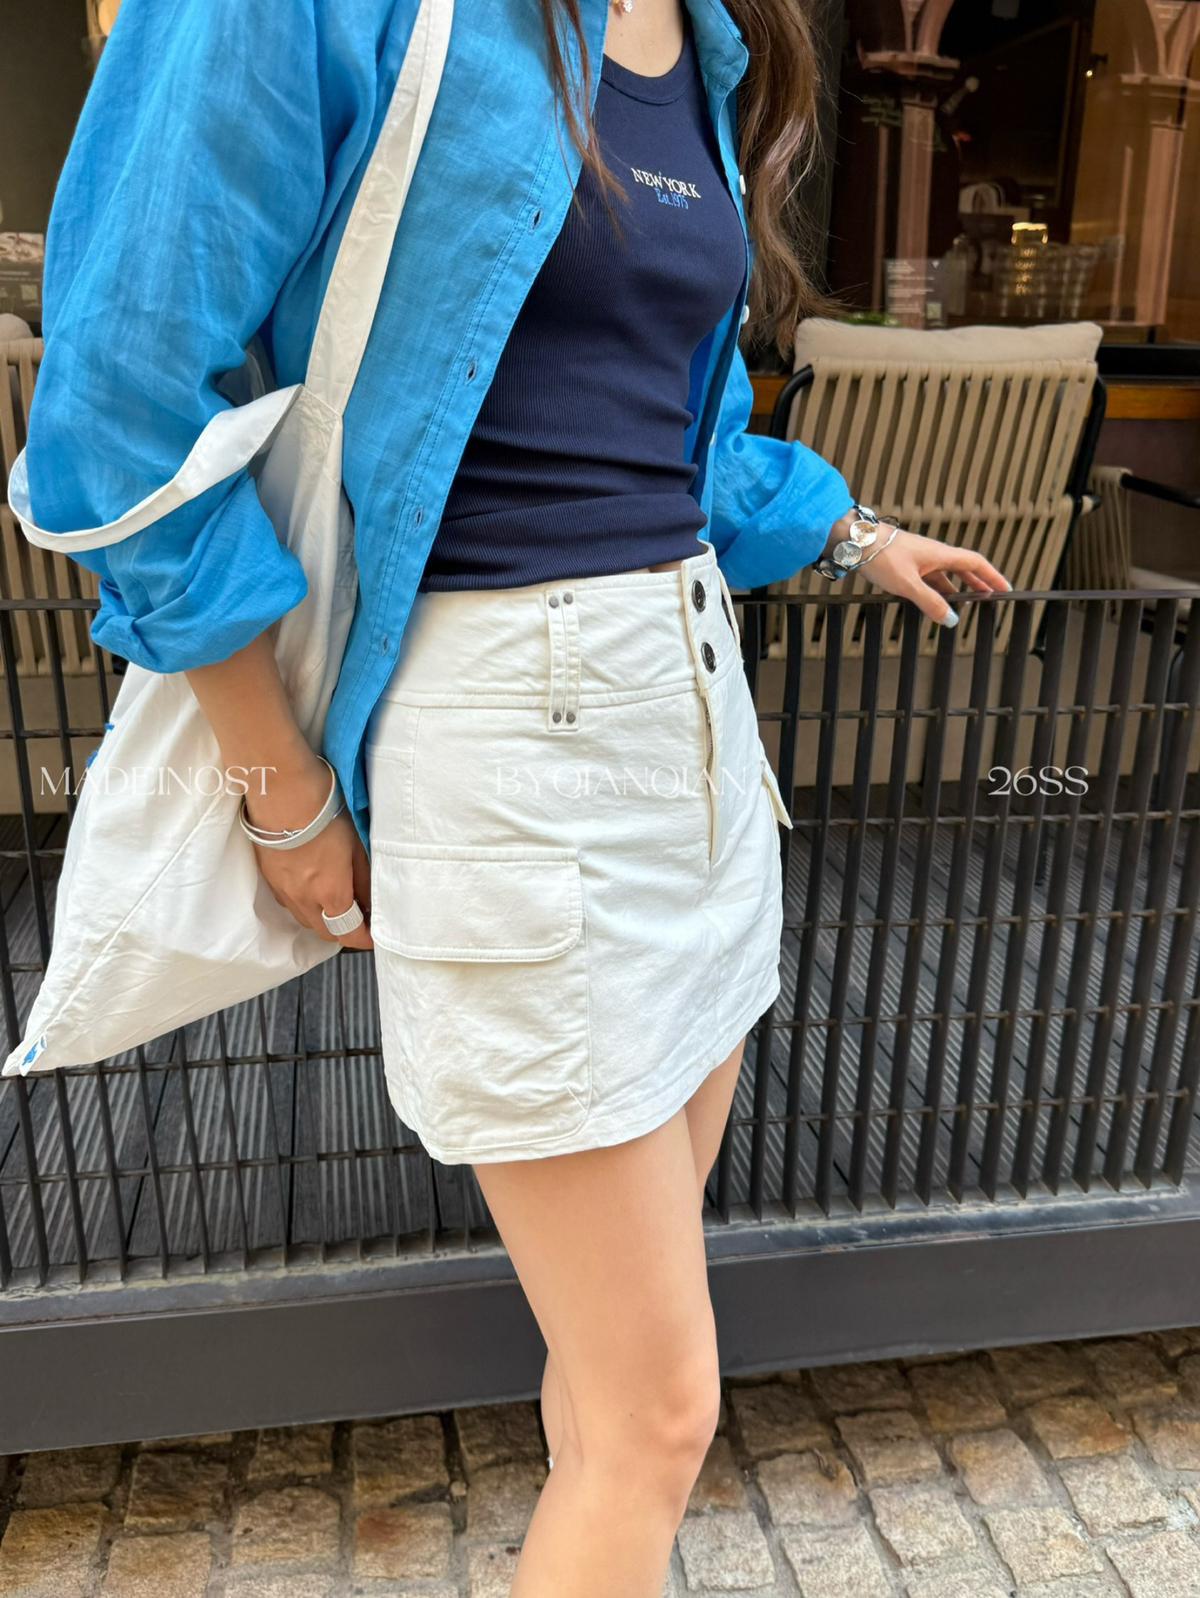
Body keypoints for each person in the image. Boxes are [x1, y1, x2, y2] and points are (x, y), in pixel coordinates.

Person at [22, 0, 1009, 1591]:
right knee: (658, 1413)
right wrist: (279, 783)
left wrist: (846, 532)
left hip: (692, 721)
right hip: (507, 734)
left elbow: (669, 426)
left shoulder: (705, 35)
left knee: (607, 1385)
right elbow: (121, 396)